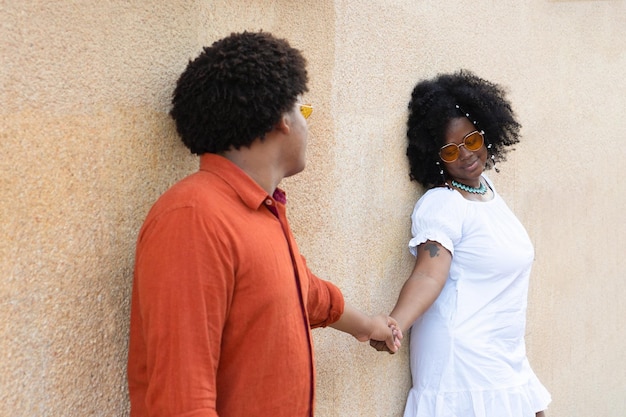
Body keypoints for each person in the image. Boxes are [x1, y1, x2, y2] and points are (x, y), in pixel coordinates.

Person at [126, 31, 401, 417]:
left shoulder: (260, 210)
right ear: (281, 118)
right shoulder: (193, 217)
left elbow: (307, 294)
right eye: (304, 112)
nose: (309, 127)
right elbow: (181, 401)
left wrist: (369, 325)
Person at [373, 70, 551, 416]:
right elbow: (428, 274)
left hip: (503, 357)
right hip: (463, 364)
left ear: (486, 134)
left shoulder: (490, 195)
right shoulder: (443, 203)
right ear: (435, 157)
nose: (466, 155)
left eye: (471, 141)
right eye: (450, 150)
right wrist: (396, 323)